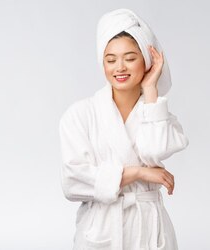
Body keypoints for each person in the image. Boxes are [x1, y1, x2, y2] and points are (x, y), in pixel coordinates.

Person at [59, 8, 189, 250]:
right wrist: (139, 173)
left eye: (130, 58)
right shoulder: (80, 115)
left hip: (150, 230)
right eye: (111, 60)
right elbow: (73, 181)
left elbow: (154, 151)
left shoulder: (158, 115)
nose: (119, 67)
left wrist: (151, 92)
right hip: (103, 230)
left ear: (146, 61)